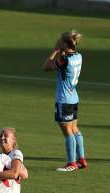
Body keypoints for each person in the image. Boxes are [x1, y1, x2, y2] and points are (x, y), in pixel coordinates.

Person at [44, 30, 88, 172]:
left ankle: (71, 163)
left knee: (67, 132)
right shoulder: (78, 56)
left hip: (64, 100)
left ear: (64, 43)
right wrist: (62, 51)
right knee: (74, 128)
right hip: (74, 97)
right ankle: (81, 160)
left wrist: (55, 50)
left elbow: (47, 66)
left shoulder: (65, 60)